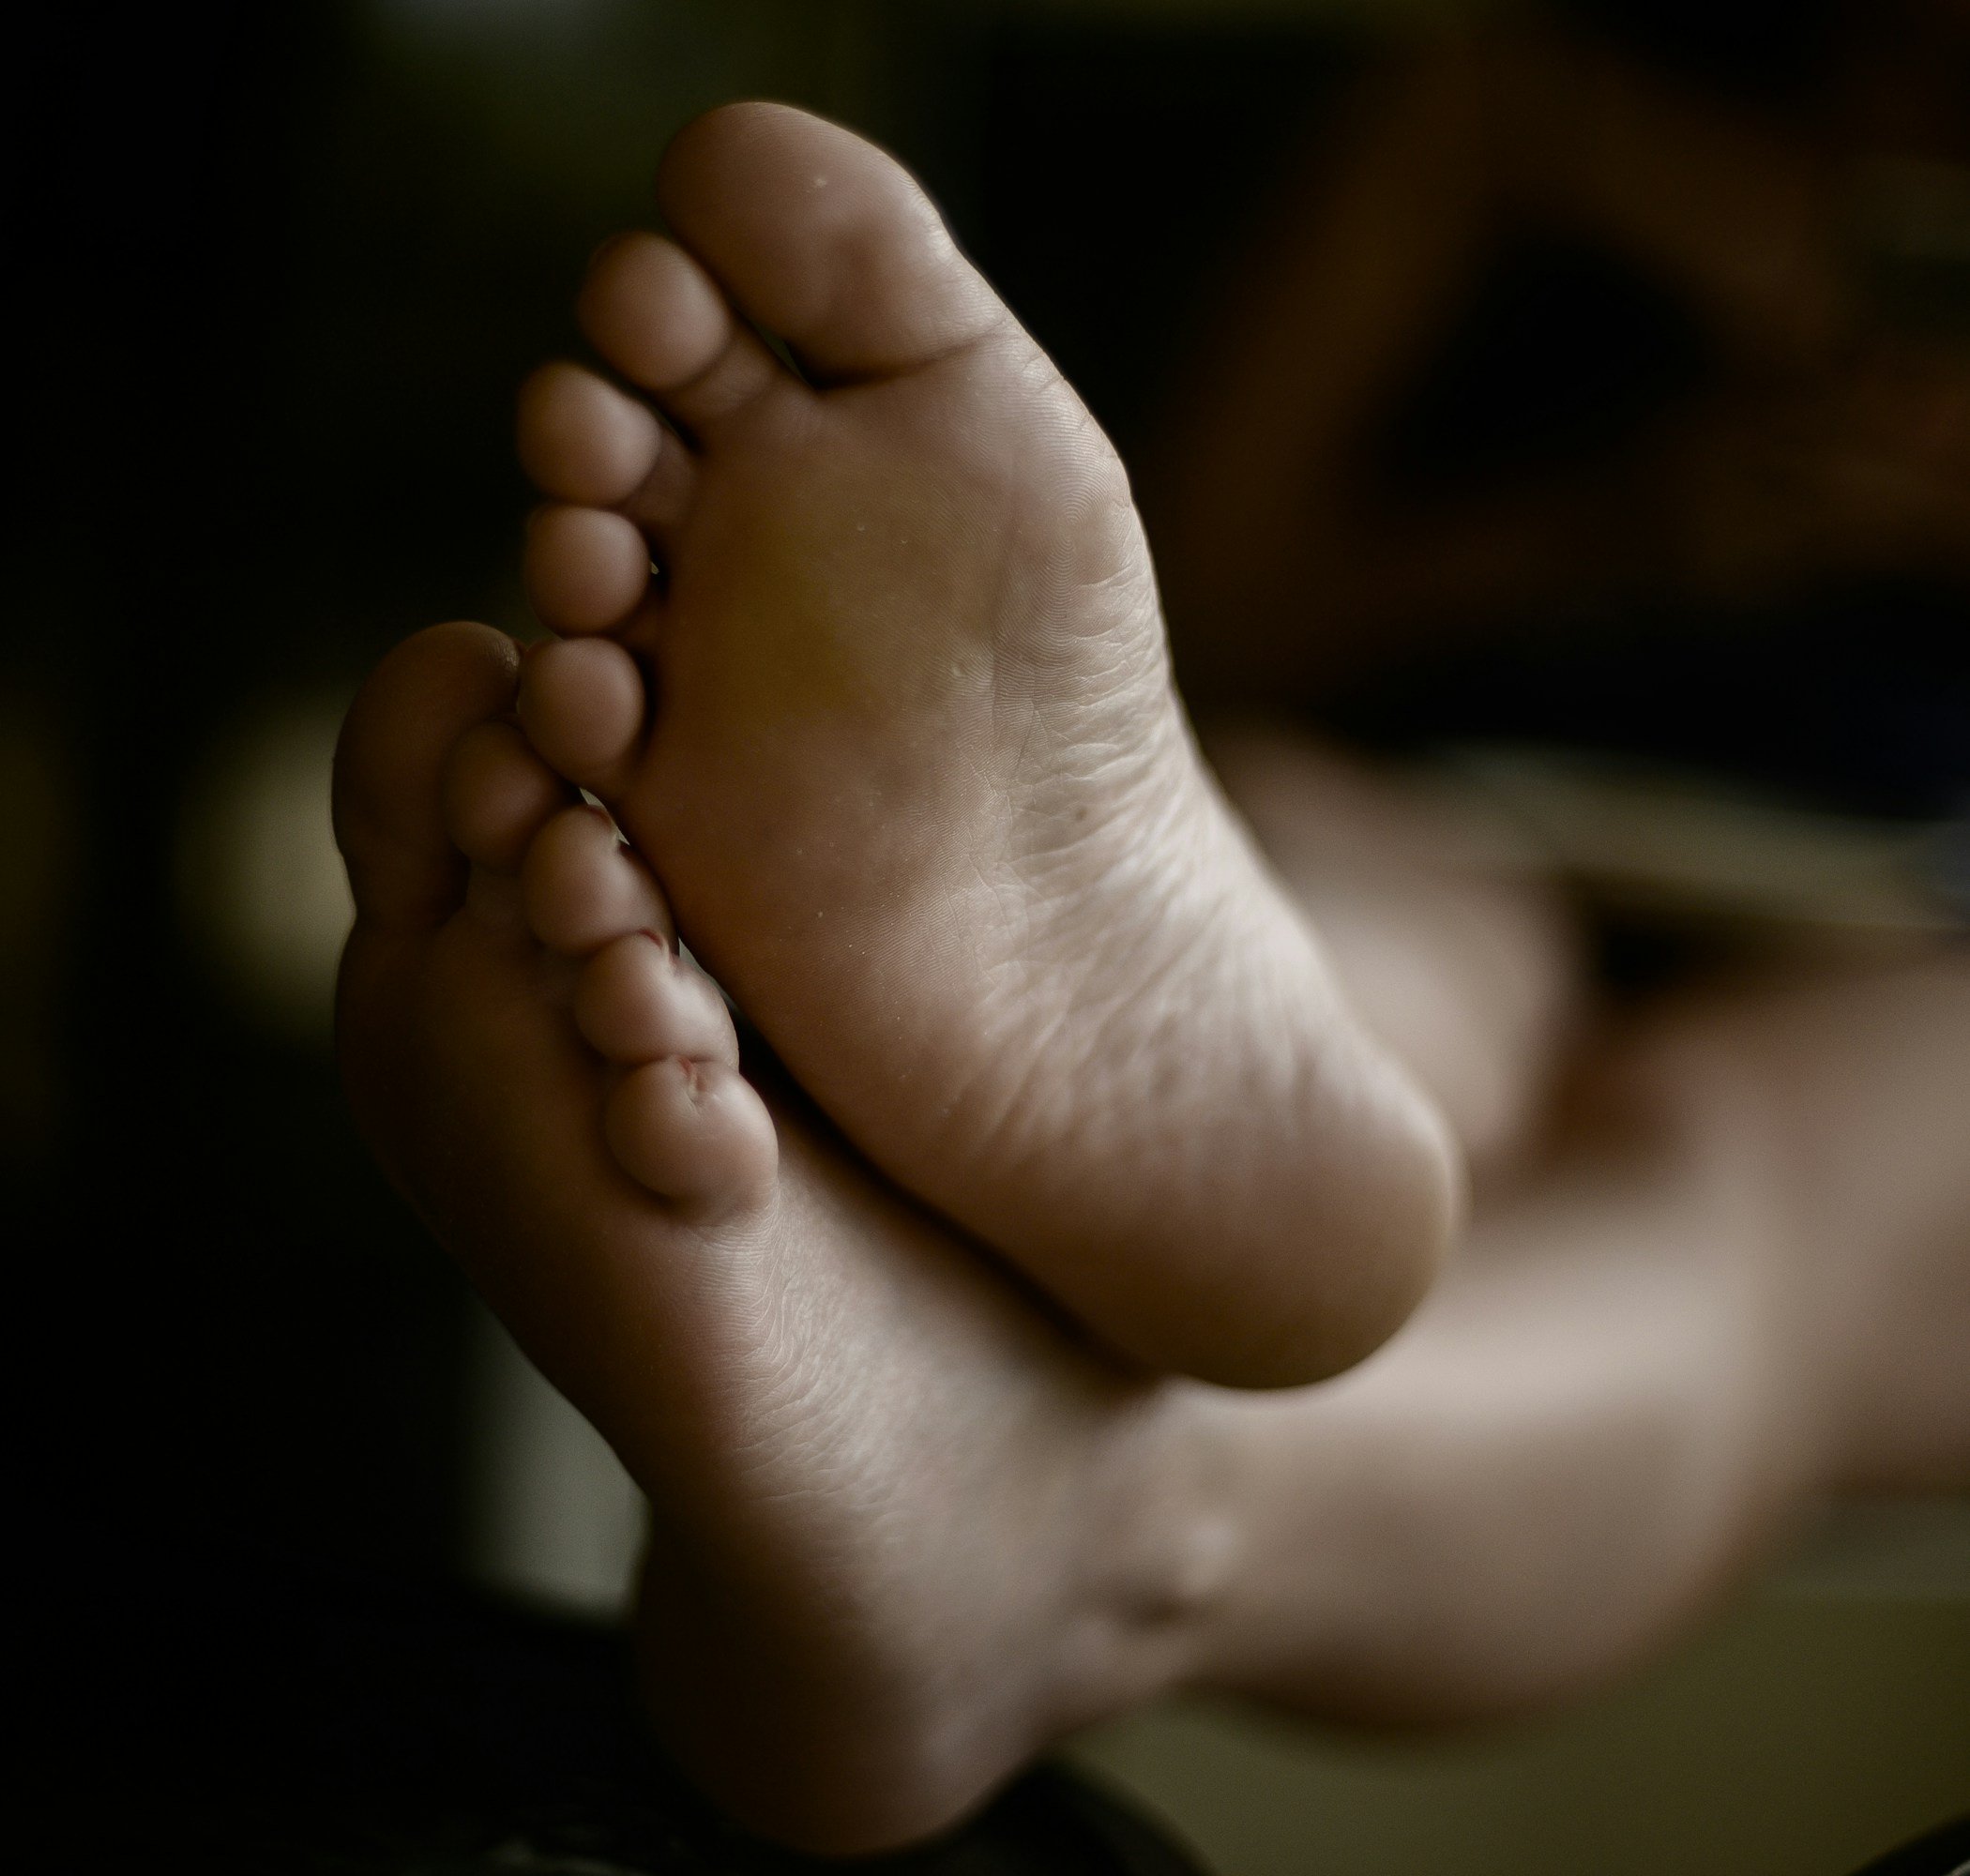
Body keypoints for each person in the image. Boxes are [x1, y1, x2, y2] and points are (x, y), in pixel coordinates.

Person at [332, 104, 1970, 1857]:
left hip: (1930, 920)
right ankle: (1161, 1177)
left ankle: (1077, 1497)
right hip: (1457, 787)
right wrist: (1623, 511)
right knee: (1351, 940)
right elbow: (1235, 600)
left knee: (1763, 1193)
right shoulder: (1513, 123)